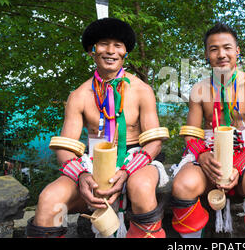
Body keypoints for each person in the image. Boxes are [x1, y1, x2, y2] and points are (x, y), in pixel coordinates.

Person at [26, 17, 168, 238]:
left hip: (136, 159)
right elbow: (66, 147)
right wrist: (81, 175)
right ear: (92, 51)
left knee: (140, 186)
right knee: (48, 199)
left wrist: (127, 170)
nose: (110, 51)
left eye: (117, 46)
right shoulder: (79, 96)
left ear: (125, 53)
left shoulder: (142, 90)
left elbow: (154, 142)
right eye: (103, 44)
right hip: (91, 163)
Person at [170, 22, 245, 238]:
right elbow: (192, 133)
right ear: (206, 54)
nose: (221, 54)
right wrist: (202, 155)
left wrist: (238, 165)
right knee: (182, 186)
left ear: (237, 51)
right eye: (214, 49)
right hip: (208, 153)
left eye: (227, 47)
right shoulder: (199, 90)